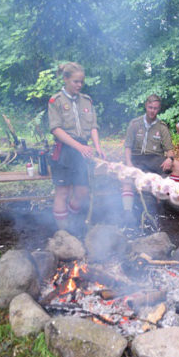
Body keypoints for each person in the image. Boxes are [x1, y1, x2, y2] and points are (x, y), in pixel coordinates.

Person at [48, 62, 105, 234]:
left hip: (82, 152)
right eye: (75, 82)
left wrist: (97, 146)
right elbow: (56, 129)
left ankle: (71, 222)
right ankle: (63, 232)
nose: (79, 85)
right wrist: (79, 146)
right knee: (63, 192)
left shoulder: (86, 101)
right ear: (65, 79)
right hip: (64, 152)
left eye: (81, 82)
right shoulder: (55, 101)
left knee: (82, 191)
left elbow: (93, 126)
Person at [121, 94, 179, 224]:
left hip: (154, 159)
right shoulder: (135, 124)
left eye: (155, 108)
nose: (152, 111)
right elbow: (127, 146)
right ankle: (127, 211)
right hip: (136, 157)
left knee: (177, 165)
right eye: (150, 107)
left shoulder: (162, 127)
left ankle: (170, 200)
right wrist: (129, 163)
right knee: (126, 172)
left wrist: (170, 159)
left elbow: (170, 150)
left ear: (159, 109)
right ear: (146, 106)